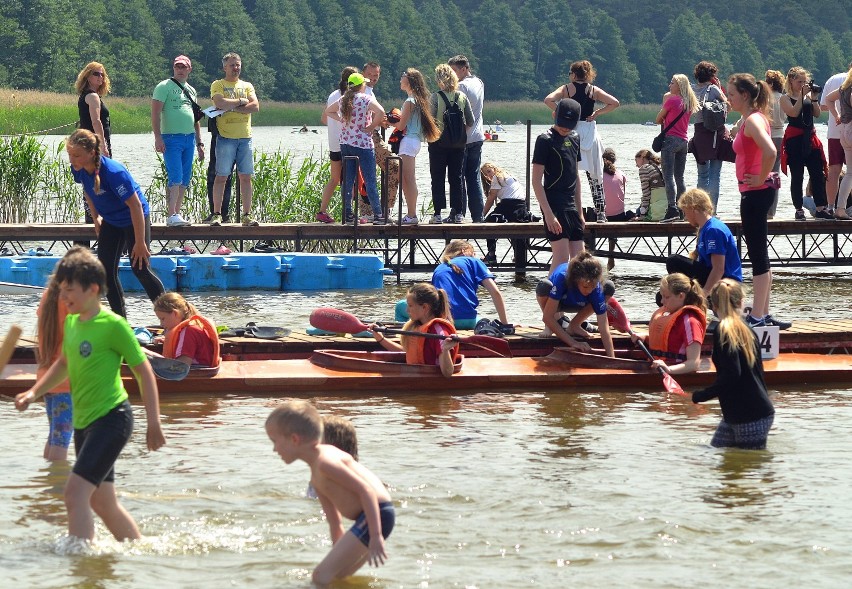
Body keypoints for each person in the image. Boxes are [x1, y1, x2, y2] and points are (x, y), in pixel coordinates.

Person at [15, 247, 166, 542]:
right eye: (61, 290)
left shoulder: (113, 326)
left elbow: (144, 372)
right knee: (102, 501)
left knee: (74, 494)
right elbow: (64, 363)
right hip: (84, 422)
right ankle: (138, 549)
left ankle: (80, 561)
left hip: (112, 419)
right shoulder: (72, 322)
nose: (64, 296)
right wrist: (34, 392)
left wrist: (154, 422)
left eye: (69, 290)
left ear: (92, 289)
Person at [266, 400, 393, 585]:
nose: (274, 449)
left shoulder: (325, 462)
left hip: (377, 515)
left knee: (319, 576)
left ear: (294, 439)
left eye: (275, 441)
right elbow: (335, 523)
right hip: (372, 518)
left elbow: (366, 490)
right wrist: (337, 551)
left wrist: (375, 536)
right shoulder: (316, 475)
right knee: (335, 577)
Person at [66, 129, 165, 318]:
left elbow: (135, 206)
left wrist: (139, 242)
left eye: (77, 155)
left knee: (140, 269)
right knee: (105, 272)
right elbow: (88, 191)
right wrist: (96, 218)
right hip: (111, 220)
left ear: (92, 153)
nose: (72, 159)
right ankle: (122, 322)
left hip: (134, 218)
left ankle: (171, 316)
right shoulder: (78, 169)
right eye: (70, 155)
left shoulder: (113, 172)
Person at [728, 73, 791, 330]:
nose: (728, 98)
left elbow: (771, 151)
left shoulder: (753, 119)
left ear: (744, 95)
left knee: (757, 255)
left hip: (756, 193)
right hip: (755, 193)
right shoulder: (751, 118)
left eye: (732, 94)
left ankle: (757, 317)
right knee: (759, 254)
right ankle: (762, 313)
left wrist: (761, 177)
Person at [692, 279, 775, 449]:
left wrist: (703, 395)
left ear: (713, 306)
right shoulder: (747, 328)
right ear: (740, 302)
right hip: (741, 412)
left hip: (749, 415)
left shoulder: (723, 330)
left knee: (747, 466)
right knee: (717, 455)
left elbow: (732, 374)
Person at [544, 60, 620, 223]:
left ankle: (566, 210)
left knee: (568, 173)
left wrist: (559, 111)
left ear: (573, 74)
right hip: (590, 132)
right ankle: (601, 213)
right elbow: (615, 103)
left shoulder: (566, 89)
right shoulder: (593, 90)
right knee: (595, 174)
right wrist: (598, 112)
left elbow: (548, 99)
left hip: (572, 131)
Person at [325, 72, 387, 225]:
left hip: (345, 143)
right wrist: (372, 126)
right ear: (362, 85)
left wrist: (342, 120)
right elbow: (381, 112)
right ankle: (378, 214)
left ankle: (347, 214)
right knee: (370, 179)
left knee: (348, 180)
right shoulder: (365, 99)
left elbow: (328, 111)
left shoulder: (343, 99)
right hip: (363, 144)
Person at [532, 98, 584, 273]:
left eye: (569, 125)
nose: (565, 128)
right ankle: (549, 296)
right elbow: (536, 180)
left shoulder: (575, 137)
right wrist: (548, 214)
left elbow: (576, 176)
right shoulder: (544, 140)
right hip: (553, 204)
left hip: (571, 206)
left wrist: (580, 212)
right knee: (561, 258)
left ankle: (574, 298)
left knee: (580, 261)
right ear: (554, 115)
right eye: (562, 123)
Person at [152, 55, 204, 228]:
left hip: (189, 138)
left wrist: (200, 143)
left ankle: (177, 212)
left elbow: (196, 119)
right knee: (175, 174)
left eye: (184, 67)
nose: (180, 70)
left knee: (185, 177)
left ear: (189, 69)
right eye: (177, 67)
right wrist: (158, 137)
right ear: (174, 68)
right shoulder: (163, 87)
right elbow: (155, 114)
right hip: (171, 138)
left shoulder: (191, 90)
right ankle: (171, 213)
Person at [210, 52, 260, 227]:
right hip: (225, 138)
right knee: (221, 176)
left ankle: (247, 214)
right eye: (232, 65)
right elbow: (219, 103)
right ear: (225, 67)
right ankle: (217, 214)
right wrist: (240, 101)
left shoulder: (247, 85)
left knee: (246, 177)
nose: (236, 68)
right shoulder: (218, 84)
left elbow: (255, 106)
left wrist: (232, 107)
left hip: (245, 138)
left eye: (238, 64)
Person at [535, 251, 615, 357]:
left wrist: (612, 358)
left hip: (581, 305)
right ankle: (549, 327)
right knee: (543, 286)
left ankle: (574, 325)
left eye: (593, 286)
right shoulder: (562, 278)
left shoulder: (595, 288)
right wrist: (573, 343)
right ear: (575, 280)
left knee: (609, 286)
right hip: (558, 303)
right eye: (586, 287)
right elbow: (548, 317)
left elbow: (604, 329)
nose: (589, 291)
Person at [666, 188, 742, 295]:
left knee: (673, 261)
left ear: (693, 209)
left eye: (685, 212)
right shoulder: (704, 228)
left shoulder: (713, 230)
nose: (685, 217)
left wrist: (704, 294)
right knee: (662, 296)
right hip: (713, 277)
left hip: (727, 284)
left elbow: (718, 269)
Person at [373, 283, 459, 378]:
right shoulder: (416, 326)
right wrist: (380, 338)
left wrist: (446, 349)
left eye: (410, 306)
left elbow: (447, 373)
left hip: (431, 381)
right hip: (417, 375)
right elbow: (406, 352)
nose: (407, 310)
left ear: (424, 307)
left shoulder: (439, 331)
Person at [630, 273, 707, 375]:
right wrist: (646, 338)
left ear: (681, 296)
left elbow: (694, 363)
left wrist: (669, 370)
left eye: (666, 297)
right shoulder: (671, 315)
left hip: (673, 370)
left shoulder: (690, 322)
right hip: (658, 366)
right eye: (662, 296)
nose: (662, 301)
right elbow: (670, 342)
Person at [780, 66, 829, 220]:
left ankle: (821, 207)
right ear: (791, 81)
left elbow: (817, 114)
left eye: (804, 81)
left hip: (810, 138)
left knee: (817, 173)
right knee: (797, 176)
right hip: (795, 139)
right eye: (799, 81)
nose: (802, 84)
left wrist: (813, 98)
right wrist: (802, 96)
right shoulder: (785, 98)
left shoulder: (807, 97)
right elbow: (793, 112)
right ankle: (798, 208)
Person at [428, 64, 475, 224]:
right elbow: (470, 121)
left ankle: (437, 214)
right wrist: (459, 134)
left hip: (438, 144)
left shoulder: (435, 97)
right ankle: (458, 213)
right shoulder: (462, 97)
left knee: (438, 178)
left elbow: (431, 121)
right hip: (458, 145)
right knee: (457, 178)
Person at [394, 68, 441, 225]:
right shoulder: (418, 100)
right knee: (406, 179)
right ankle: (410, 213)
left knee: (408, 179)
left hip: (408, 142)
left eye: (403, 77)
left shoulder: (410, 101)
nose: (401, 79)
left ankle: (412, 214)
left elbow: (401, 126)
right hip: (414, 142)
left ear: (409, 81)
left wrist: (388, 121)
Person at [35, 273, 73, 461]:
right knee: (61, 440)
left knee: (54, 436)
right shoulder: (71, 299)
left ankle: (48, 482)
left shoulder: (48, 295)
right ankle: (58, 487)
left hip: (47, 377)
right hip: (66, 380)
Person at [431, 239, 509, 329]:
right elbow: (495, 292)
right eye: (473, 253)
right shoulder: (473, 261)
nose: (474, 256)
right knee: (485, 322)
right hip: (467, 320)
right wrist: (505, 324)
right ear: (463, 251)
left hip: (443, 322)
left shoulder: (438, 268)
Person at [317, 66, 359, 224]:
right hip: (347, 143)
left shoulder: (333, 95)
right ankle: (349, 213)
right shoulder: (349, 97)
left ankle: (322, 211)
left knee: (334, 179)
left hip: (333, 144)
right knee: (350, 179)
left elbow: (324, 119)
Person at [655, 74, 699, 222]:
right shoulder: (689, 102)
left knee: (668, 176)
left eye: (672, 83)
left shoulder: (672, 100)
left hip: (670, 140)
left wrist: (665, 101)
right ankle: (682, 210)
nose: (669, 85)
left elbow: (658, 118)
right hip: (683, 142)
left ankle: (672, 208)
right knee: (679, 177)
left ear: (679, 86)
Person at [448, 55, 487, 222]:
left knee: (458, 178)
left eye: (454, 71)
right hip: (478, 136)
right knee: (473, 178)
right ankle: (478, 216)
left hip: (463, 138)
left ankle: (458, 213)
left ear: (464, 69)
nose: (452, 75)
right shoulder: (479, 82)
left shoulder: (461, 87)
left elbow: (459, 114)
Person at [362, 62, 401, 218]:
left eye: (376, 75)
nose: (373, 78)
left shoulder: (369, 91)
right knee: (394, 165)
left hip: (370, 135)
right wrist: (379, 121)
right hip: (369, 136)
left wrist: (382, 121)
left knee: (367, 172)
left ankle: (372, 211)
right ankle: (384, 209)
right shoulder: (364, 90)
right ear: (363, 73)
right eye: (370, 74)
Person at [690, 61, 729, 212]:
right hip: (715, 133)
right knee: (714, 175)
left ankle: (701, 210)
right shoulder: (713, 89)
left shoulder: (692, 89)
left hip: (699, 132)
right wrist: (719, 88)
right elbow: (728, 106)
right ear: (712, 76)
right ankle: (712, 210)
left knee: (702, 174)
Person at [153, 292, 220, 367]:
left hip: (197, 375)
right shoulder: (194, 325)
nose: (161, 324)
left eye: (162, 319)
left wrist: (150, 356)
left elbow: (182, 366)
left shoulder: (188, 331)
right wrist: (169, 341)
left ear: (175, 313)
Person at [480, 162, 530, 262]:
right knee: (514, 229)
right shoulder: (509, 176)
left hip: (509, 205)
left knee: (488, 222)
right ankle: (519, 256)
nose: (488, 175)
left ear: (494, 168)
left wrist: (481, 216)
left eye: (489, 171)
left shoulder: (497, 177)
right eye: (485, 175)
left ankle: (491, 255)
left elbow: (491, 199)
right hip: (521, 207)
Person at [820, 61, 852, 217]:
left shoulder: (835, 80)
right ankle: (844, 206)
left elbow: (823, 104)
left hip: (835, 131)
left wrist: (837, 115)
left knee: (834, 170)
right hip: (849, 130)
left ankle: (831, 206)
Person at [76, 62, 112, 158]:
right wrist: (103, 146)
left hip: (86, 143)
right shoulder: (92, 96)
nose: (100, 76)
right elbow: (96, 121)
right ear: (87, 76)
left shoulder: (84, 95)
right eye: (96, 74)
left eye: (102, 74)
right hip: (95, 144)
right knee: (101, 172)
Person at [765, 70, 786, 219]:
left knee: (763, 174)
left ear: (770, 83)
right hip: (781, 136)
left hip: (768, 135)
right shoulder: (784, 98)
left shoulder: (766, 99)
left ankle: (763, 208)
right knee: (774, 175)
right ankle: (772, 211)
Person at [631, 149, 667, 221]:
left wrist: (642, 214)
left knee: (631, 214)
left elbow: (646, 194)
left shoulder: (644, 168)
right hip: (666, 208)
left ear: (642, 157)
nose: (636, 165)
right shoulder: (659, 166)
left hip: (656, 211)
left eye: (636, 160)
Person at [600, 148, 634, 221]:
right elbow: (622, 196)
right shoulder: (621, 174)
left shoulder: (599, 175)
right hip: (619, 215)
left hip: (604, 216)